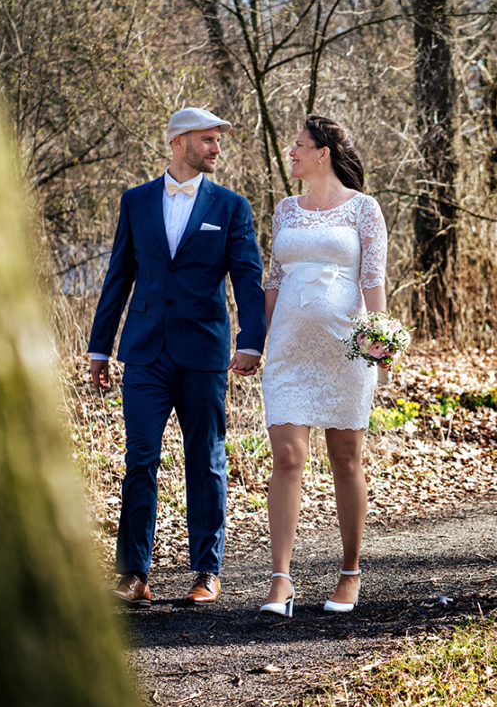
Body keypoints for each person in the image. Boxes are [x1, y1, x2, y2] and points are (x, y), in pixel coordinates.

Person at [88, 107, 266, 608]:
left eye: (217, 140)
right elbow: (117, 277)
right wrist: (100, 348)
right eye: (207, 140)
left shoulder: (231, 206)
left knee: (205, 458)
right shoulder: (136, 202)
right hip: (144, 352)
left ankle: (207, 571)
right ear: (178, 142)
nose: (216, 148)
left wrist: (251, 341)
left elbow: (247, 279)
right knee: (140, 458)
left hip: (203, 353)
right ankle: (133, 574)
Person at [258, 115, 389, 617]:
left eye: (298, 146)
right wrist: (255, 342)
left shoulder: (364, 210)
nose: (290, 153)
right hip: (289, 352)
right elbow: (273, 280)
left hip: (346, 349)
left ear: (323, 154)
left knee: (345, 459)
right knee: (288, 457)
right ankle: (280, 580)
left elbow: (372, 280)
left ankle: (350, 572)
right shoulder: (285, 210)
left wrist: (382, 343)